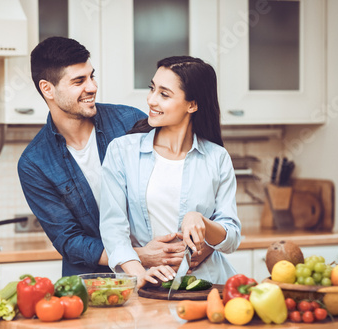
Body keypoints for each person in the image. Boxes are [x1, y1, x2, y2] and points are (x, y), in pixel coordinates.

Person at [18, 37, 213, 276]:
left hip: (165, 271)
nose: (92, 87)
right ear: (47, 88)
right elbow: (69, 241)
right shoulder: (34, 163)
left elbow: (185, 180)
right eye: (79, 81)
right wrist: (136, 256)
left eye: (91, 76)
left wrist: (205, 245)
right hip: (95, 282)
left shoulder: (129, 121)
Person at [100, 56, 241, 287]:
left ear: (192, 105)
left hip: (207, 285)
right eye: (152, 89)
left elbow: (231, 237)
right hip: (147, 284)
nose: (151, 100)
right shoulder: (121, 152)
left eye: (164, 94)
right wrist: (138, 274)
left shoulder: (217, 157)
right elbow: (113, 228)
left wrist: (201, 221)